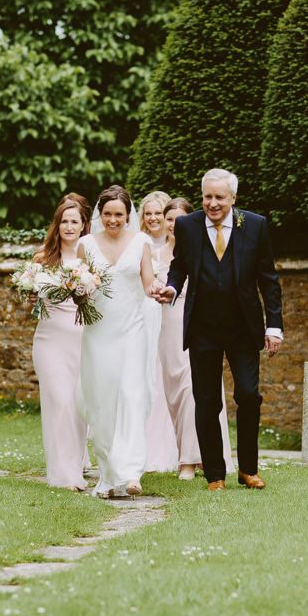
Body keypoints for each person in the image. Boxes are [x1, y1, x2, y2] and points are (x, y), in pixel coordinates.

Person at [156, 169, 283, 491]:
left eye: (220, 198)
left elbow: (268, 280)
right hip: (202, 327)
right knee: (207, 399)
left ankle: (248, 470)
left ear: (233, 199)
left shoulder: (255, 225)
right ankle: (215, 474)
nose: (213, 204)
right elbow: (179, 266)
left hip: (244, 327)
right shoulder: (188, 225)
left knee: (248, 395)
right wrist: (172, 288)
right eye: (207, 197)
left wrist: (275, 326)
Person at [77, 185, 158, 498]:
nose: (113, 220)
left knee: (131, 394)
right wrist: (75, 290)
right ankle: (109, 475)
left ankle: (132, 472)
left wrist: (161, 292)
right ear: (100, 214)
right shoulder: (85, 244)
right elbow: (77, 286)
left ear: (128, 216)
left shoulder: (141, 242)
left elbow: (148, 283)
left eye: (119, 215)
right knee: (102, 400)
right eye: (107, 214)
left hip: (132, 329)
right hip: (98, 331)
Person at [156, 198, 234, 479]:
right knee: (174, 394)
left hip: (197, 329)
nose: (174, 225)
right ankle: (187, 451)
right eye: (169, 219)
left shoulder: (205, 249)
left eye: (180, 219)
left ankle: (190, 461)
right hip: (165, 331)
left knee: (194, 391)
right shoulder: (154, 255)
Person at [32, 194, 92, 491]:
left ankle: (76, 467)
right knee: (59, 401)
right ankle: (62, 475)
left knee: (78, 405)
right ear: (57, 225)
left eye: (74, 221)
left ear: (83, 225)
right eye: (64, 221)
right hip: (49, 340)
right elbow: (32, 297)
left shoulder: (89, 258)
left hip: (82, 340)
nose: (69, 226)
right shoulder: (43, 258)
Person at [138, 191, 178, 473]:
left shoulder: (178, 247)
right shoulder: (138, 244)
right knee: (146, 377)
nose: (153, 219)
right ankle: (145, 448)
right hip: (143, 318)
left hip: (170, 318)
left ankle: (174, 448)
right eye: (148, 213)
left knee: (169, 378)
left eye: (158, 213)